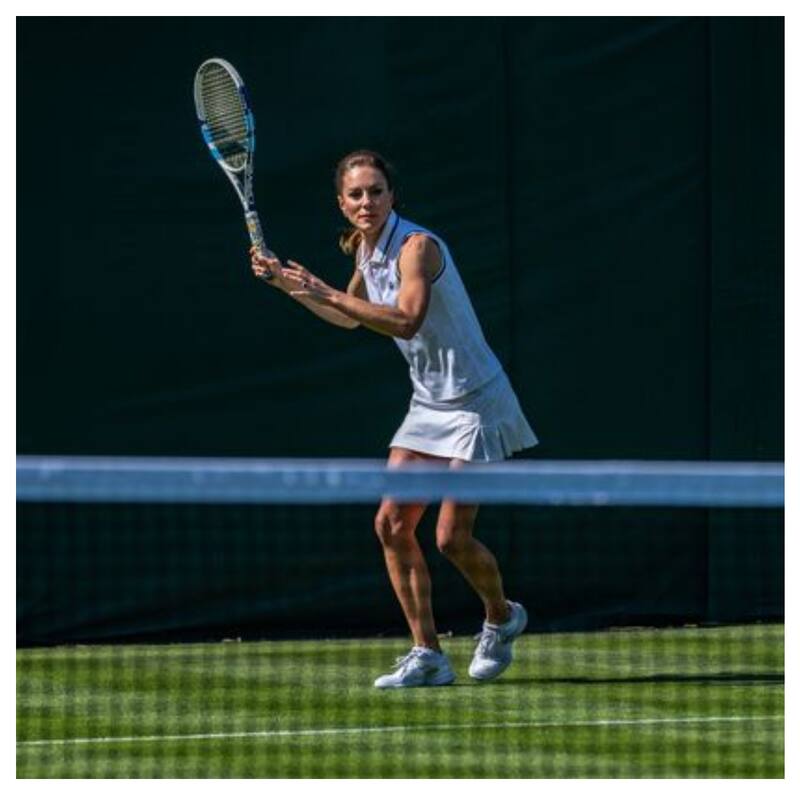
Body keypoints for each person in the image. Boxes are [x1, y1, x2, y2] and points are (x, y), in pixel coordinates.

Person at [250, 150, 538, 688]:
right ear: (342, 202)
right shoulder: (364, 249)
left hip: (476, 400)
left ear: (391, 195)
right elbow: (346, 317)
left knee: (452, 537)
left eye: (376, 191)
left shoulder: (416, 248)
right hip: (428, 404)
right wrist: (285, 284)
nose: (366, 202)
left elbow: (405, 322)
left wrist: (323, 288)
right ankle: (427, 654)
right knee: (390, 524)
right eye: (356, 195)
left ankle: (501, 616)